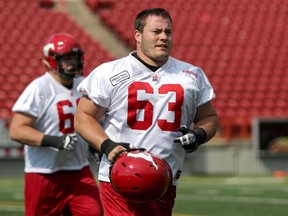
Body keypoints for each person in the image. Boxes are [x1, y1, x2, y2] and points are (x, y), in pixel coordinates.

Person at [74, 7, 218, 216]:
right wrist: (107, 146)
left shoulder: (191, 75)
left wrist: (199, 134)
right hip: (120, 178)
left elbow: (209, 117)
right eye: (156, 31)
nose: (163, 37)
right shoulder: (109, 72)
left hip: (164, 180)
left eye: (168, 32)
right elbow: (83, 117)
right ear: (138, 35)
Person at [9, 33, 103, 216]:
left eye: (75, 58)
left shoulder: (83, 85)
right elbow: (17, 130)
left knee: (94, 212)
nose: (72, 63)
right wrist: (55, 141)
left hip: (79, 170)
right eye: (66, 58)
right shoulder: (39, 87)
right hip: (44, 173)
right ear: (52, 60)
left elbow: (93, 119)